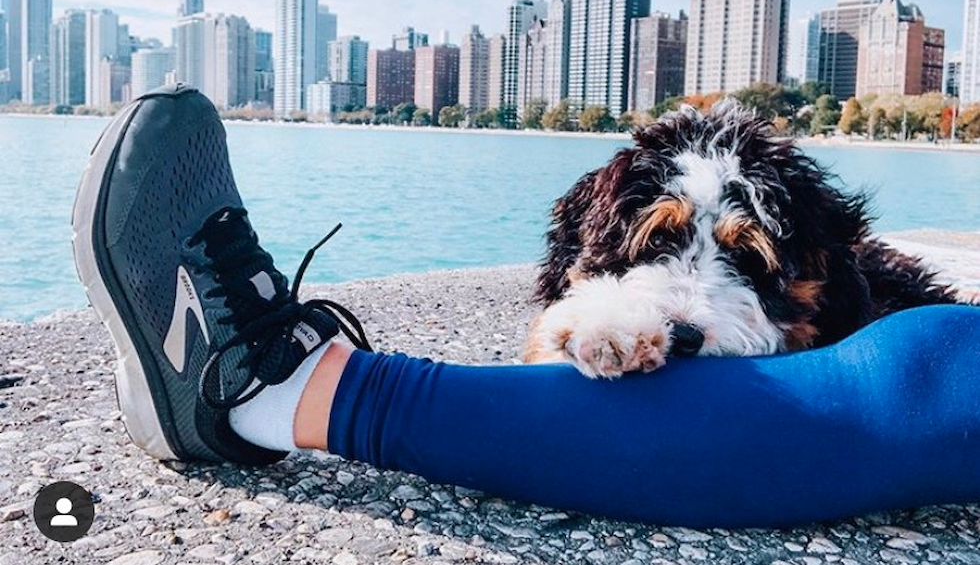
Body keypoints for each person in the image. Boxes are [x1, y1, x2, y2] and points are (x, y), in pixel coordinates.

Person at [72, 85, 980, 529]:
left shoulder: (857, 292)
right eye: (655, 245)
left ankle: (280, 392)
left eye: (745, 260)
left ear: (825, 268)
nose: (697, 293)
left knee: (933, 367)